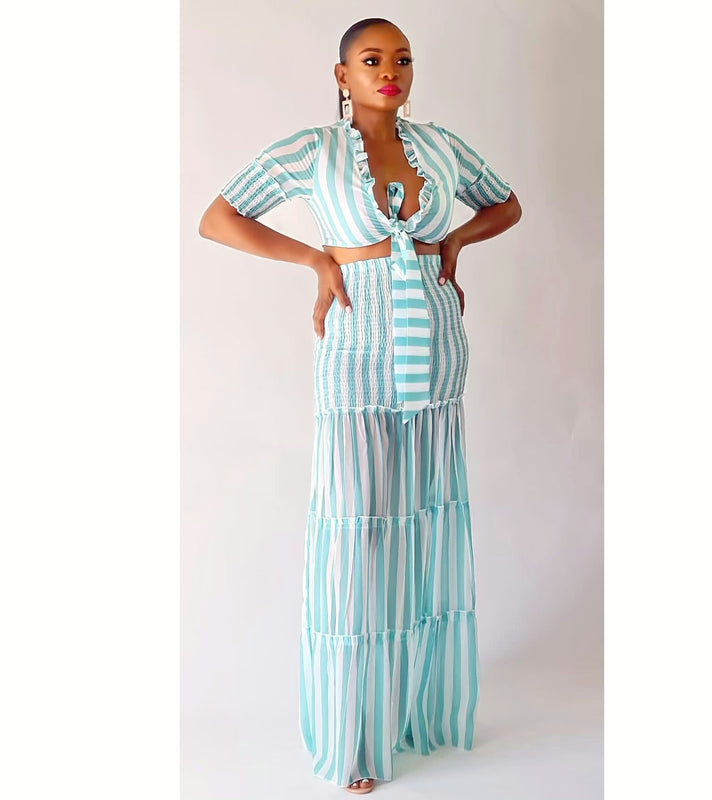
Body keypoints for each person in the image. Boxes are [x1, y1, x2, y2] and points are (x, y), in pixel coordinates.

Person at [199, 17, 522, 794]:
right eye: (372, 59)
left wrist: (453, 242)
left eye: (402, 58)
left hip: (434, 349)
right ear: (342, 76)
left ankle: (418, 710)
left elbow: (507, 204)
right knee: (359, 532)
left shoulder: (440, 147)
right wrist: (316, 258)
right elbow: (219, 218)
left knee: (424, 521)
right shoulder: (312, 150)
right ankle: (354, 733)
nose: (390, 70)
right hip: (357, 349)